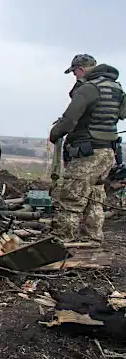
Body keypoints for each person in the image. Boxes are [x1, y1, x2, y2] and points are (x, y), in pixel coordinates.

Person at [49, 54, 124, 245]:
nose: (75, 77)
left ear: (81, 70)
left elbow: (69, 120)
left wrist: (54, 134)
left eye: (74, 72)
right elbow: (122, 114)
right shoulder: (116, 88)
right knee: (95, 196)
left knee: (72, 197)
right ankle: (92, 238)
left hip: (87, 152)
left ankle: (63, 240)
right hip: (108, 152)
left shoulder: (88, 88)